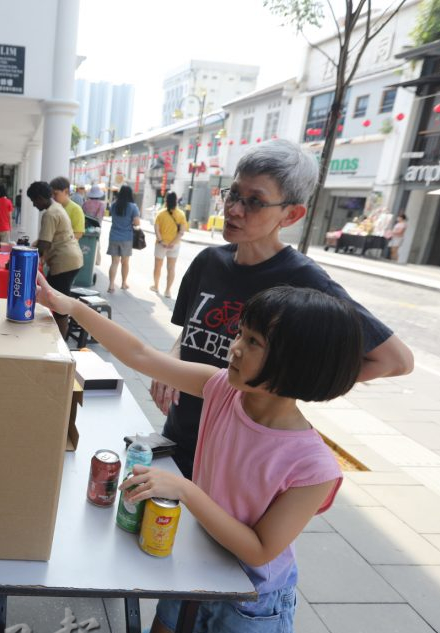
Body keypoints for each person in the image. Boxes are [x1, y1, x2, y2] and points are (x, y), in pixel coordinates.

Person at [36, 277, 364, 633]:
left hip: (255, 595)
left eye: (255, 342)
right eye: (241, 333)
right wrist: (69, 305)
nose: (236, 347)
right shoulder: (223, 389)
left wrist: (186, 490)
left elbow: (260, 550)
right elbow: (141, 355)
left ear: (301, 363)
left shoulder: (314, 466)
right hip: (202, 552)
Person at [151, 139, 414, 479]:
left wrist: (292, 382)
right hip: (178, 435)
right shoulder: (208, 262)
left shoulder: (304, 280)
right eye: (233, 193)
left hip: (238, 456)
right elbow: (190, 333)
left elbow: (396, 360)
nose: (233, 209)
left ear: (291, 214)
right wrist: (172, 361)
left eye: (255, 202)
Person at [26, 181, 84, 338]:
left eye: (33, 201)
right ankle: (56, 335)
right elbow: (46, 238)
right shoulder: (57, 207)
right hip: (72, 259)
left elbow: (44, 243)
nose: (34, 205)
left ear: (39, 198)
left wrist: (25, 257)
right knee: (55, 297)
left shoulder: (50, 214)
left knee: (57, 302)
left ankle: (60, 341)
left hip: (65, 262)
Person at [105, 184, 140, 294]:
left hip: (114, 236)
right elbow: (137, 222)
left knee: (114, 262)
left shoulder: (114, 205)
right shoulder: (133, 207)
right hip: (126, 238)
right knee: (125, 262)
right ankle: (123, 283)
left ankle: (111, 285)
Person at [153, 191, 188, 297]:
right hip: (174, 245)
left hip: (161, 244)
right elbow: (181, 231)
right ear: (176, 201)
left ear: (166, 200)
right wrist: (173, 243)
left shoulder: (160, 213)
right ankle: (168, 291)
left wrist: (162, 241)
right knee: (171, 268)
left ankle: (156, 286)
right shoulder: (181, 214)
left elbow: (156, 229)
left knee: (158, 266)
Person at [51, 175, 86, 239]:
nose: (53, 197)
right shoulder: (54, 208)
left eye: (55, 194)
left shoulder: (76, 209)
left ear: (66, 191)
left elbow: (78, 233)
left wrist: (60, 239)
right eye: (52, 194)